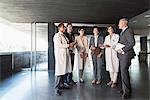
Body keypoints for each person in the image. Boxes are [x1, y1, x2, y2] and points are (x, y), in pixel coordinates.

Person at [53, 23, 74, 95]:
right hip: (60, 56)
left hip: (65, 55)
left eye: (65, 27)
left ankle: (62, 85)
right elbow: (59, 45)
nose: (65, 28)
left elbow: (66, 44)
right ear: (59, 28)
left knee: (64, 71)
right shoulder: (57, 36)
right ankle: (56, 88)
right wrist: (68, 45)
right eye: (63, 27)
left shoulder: (64, 35)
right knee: (59, 72)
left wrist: (70, 46)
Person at [117, 18, 135, 99]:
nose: (118, 25)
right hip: (122, 55)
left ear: (124, 23)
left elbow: (132, 42)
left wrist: (122, 49)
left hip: (126, 55)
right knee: (123, 72)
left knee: (124, 72)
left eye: (119, 23)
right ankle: (124, 89)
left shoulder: (128, 31)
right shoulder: (123, 32)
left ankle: (126, 92)